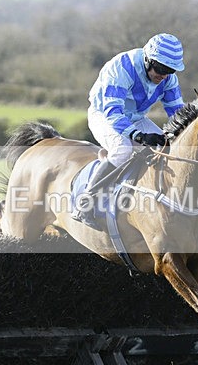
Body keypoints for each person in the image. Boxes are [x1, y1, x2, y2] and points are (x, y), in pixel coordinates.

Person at [73, 33, 186, 227]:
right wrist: (138, 136)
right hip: (104, 114)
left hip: (136, 117)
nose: (164, 76)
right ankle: (85, 202)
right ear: (148, 60)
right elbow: (113, 111)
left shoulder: (168, 79)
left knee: (168, 146)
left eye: (170, 70)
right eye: (161, 69)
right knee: (123, 149)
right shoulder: (122, 67)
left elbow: (177, 114)